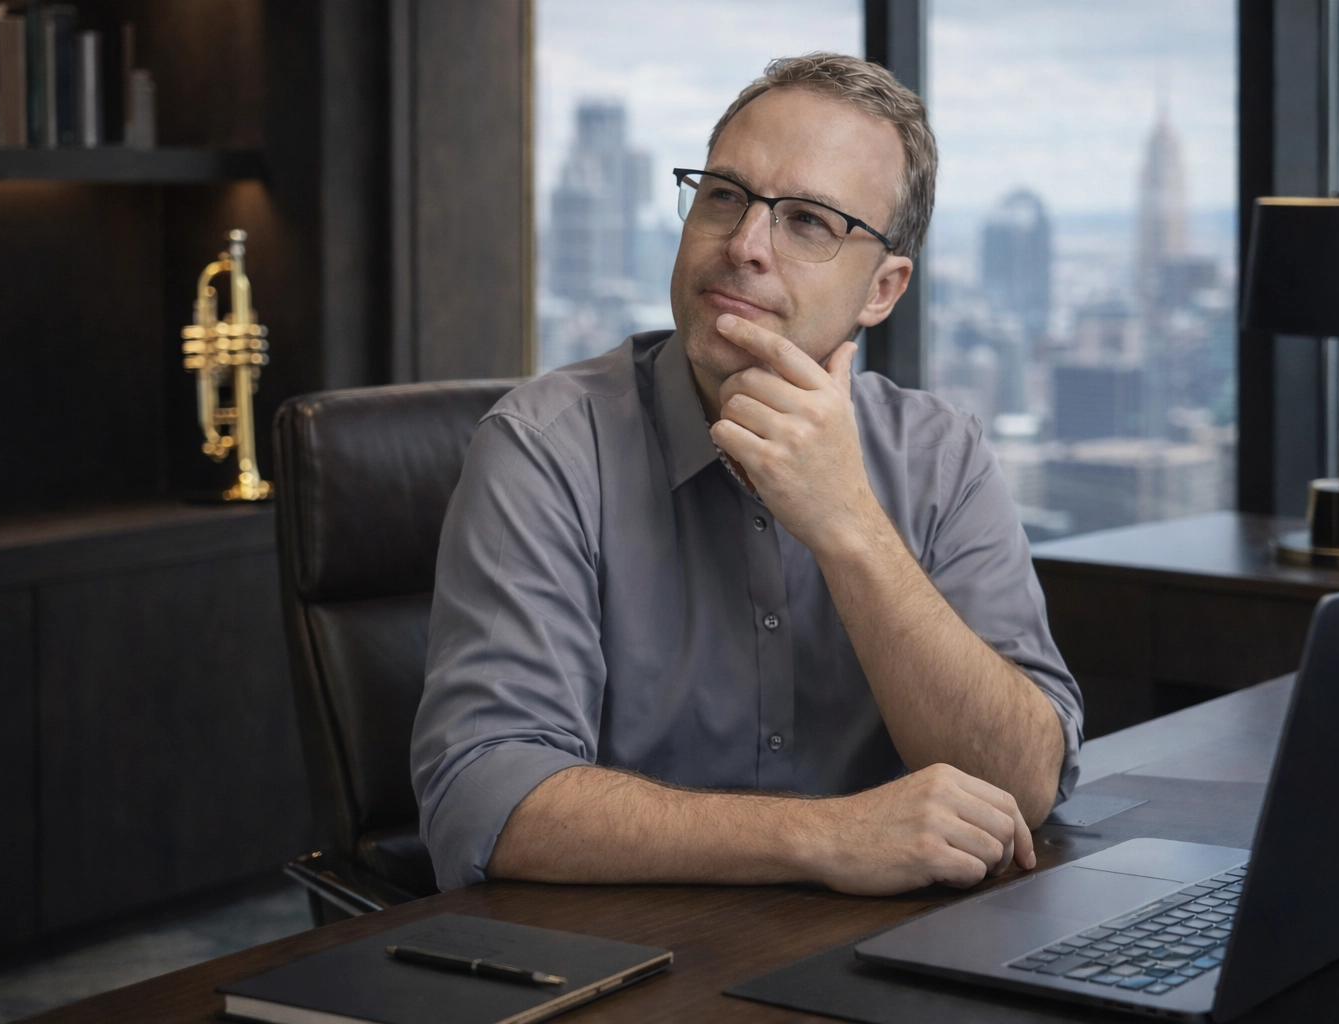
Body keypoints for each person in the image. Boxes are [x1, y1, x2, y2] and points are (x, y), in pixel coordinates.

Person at [411, 52, 1083, 896]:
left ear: (882, 289)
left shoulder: (939, 455)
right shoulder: (545, 446)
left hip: (891, 961)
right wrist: (825, 837)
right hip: (629, 970)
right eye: (724, 196)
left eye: (806, 221)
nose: (744, 246)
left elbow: (1024, 781)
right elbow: (483, 796)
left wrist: (849, 527)